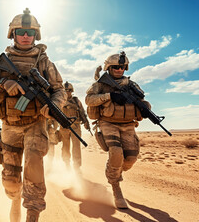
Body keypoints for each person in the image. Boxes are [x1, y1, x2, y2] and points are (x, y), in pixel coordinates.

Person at [0, 8, 66, 222]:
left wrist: (53, 105)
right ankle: (15, 201)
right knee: (10, 180)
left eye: (30, 32)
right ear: (13, 34)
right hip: (9, 126)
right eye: (21, 31)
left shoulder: (44, 62)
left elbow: (60, 89)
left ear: (36, 36)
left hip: (36, 123)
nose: (26, 36)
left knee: (34, 164)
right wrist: (2, 84)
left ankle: (32, 214)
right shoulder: (1, 62)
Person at [85, 52, 151, 209]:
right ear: (109, 67)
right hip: (108, 123)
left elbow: (141, 101)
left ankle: (115, 171)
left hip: (128, 124)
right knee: (116, 152)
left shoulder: (131, 85)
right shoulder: (100, 85)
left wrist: (146, 109)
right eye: (115, 67)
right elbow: (89, 100)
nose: (119, 69)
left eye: (122, 67)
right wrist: (109, 96)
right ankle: (116, 187)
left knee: (130, 159)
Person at [59, 81, 90, 172]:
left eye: (69, 90)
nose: (67, 92)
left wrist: (86, 122)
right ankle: (66, 163)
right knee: (65, 146)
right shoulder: (59, 100)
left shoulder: (76, 101)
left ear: (72, 91)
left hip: (75, 126)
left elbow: (82, 112)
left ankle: (77, 166)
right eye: (65, 90)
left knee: (76, 146)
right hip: (64, 127)